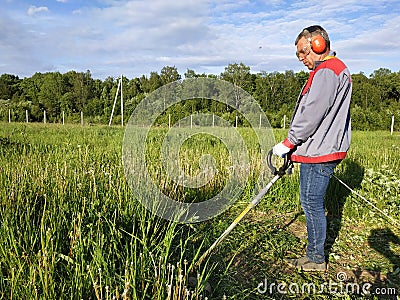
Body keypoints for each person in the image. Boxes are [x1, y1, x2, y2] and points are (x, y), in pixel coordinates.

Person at [272, 25, 352, 271]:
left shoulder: (328, 71)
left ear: (318, 44)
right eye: (298, 55)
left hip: (321, 151)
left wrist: (289, 142)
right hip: (318, 148)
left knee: (311, 202)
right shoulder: (329, 70)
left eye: (304, 52)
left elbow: (312, 114)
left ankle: (316, 258)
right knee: (312, 201)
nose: (302, 59)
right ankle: (314, 253)